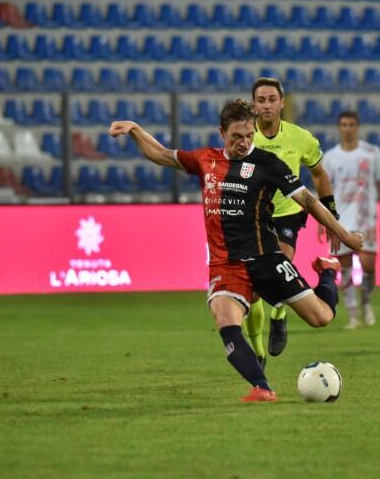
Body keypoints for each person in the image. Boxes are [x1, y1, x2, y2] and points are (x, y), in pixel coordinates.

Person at [108, 100, 363, 402]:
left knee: (321, 317)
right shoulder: (205, 159)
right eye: (236, 137)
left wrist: (344, 234)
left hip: (266, 258)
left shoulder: (268, 164)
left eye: (249, 136)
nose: (244, 142)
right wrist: (135, 129)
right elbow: (160, 154)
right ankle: (262, 387)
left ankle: (328, 271)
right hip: (226, 265)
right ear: (222, 133)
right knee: (225, 320)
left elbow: (307, 200)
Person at [246, 77, 339, 362]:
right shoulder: (244, 138)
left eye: (272, 99)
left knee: (279, 268)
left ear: (282, 103)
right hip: (253, 218)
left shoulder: (301, 138)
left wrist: (330, 213)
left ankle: (279, 313)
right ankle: (258, 354)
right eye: (261, 100)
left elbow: (319, 174)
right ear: (253, 105)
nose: (266, 105)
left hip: (287, 214)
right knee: (252, 292)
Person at [320, 111, 380, 329]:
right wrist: (322, 221)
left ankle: (366, 301)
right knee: (345, 267)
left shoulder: (372, 153)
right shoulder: (330, 157)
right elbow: (324, 190)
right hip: (340, 218)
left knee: (368, 265)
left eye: (351, 124)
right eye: (344, 125)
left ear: (357, 127)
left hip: (365, 217)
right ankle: (352, 315)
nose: (348, 128)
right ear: (339, 128)